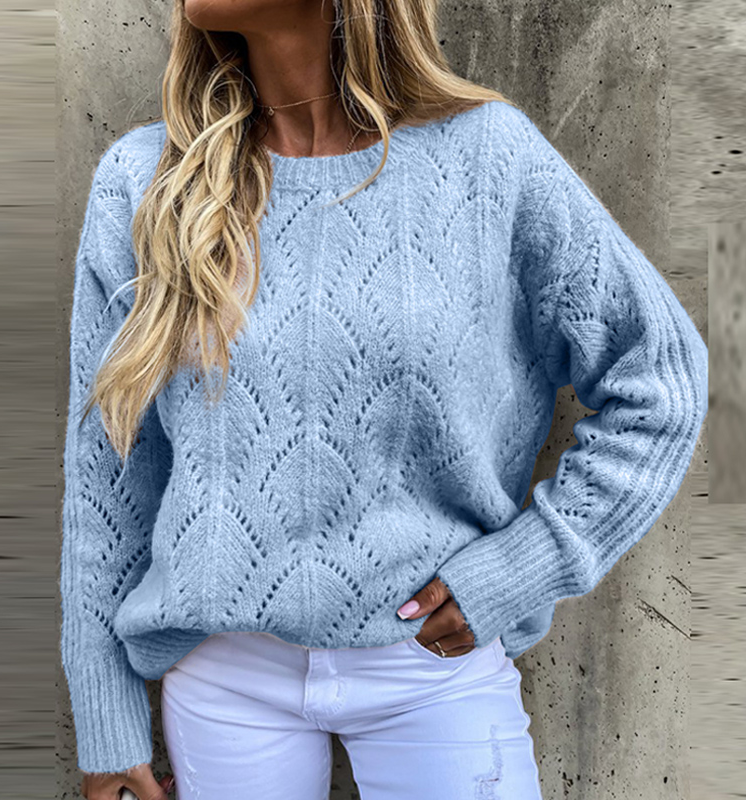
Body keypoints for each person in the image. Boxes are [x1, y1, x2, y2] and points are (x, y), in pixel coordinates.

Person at [59, 0, 709, 798]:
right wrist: (107, 721)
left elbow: (661, 381)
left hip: (433, 665)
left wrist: (524, 567)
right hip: (224, 677)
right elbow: (107, 475)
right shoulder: (147, 180)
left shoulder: (487, 159)